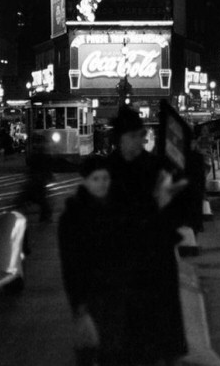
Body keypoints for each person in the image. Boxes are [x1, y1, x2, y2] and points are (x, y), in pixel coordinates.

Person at [106, 106, 191, 365]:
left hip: (154, 264)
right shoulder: (107, 172)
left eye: (139, 136)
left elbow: (178, 210)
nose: (137, 142)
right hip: (123, 269)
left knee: (156, 340)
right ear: (118, 139)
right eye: (131, 136)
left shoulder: (155, 166)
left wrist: (173, 198)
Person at [58, 154, 127, 366]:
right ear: (86, 181)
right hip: (90, 296)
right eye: (96, 179)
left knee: (115, 351)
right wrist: (78, 303)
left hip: (117, 293)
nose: (101, 184)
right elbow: (69, 263)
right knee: (91, 351)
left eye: (105, 178)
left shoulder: (118, 211)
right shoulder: (72, 216)